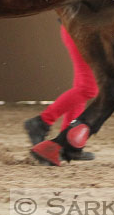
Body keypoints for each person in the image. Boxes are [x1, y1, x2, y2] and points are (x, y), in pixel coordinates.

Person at [24, 23, 98, 160]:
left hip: (81, 29)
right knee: (88, 89)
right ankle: (42, 122)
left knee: (82, 87)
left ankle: (69, 145)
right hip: (81, 30)